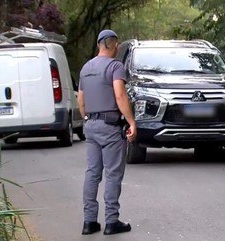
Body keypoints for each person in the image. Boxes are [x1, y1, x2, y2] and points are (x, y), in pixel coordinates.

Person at [77, 29, 137, 235]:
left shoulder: (86, 68)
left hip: (91, 126)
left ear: (98, 45)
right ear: (112, 45)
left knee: (92, 173)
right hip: (110, 127)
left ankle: (89, 222)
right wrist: (131, 122)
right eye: (117, 45)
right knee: (112, 174)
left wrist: (87, 119)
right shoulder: (115, 66)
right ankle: (112, 222)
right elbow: (120, 95)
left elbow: (81, 101)